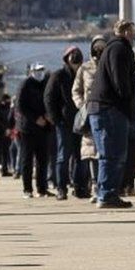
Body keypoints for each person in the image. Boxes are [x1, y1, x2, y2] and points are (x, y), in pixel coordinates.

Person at [87, 20, 135, 209]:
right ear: (126, 32)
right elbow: (121, 81)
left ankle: (105, 192)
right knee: (113, 153)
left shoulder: (112, 48)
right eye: (134, 31)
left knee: (108, 153)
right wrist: (128, 102)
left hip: (102, 107)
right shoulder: (119, 49)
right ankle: (107, 194)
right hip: (110, 108)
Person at [44, 46, 87, 200]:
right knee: (63, 156)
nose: (75, 62)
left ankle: (80, 187)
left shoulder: (83, 74)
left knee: (80, 156)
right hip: (64, 122)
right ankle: (61, 188)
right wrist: (56, 120)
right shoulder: (58, 76)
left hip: (81, 121)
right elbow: (49, 99)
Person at [73, 35, 107, 202]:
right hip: (89, 113)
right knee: (91, 153)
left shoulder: (108, 65)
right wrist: (81, 106)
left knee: (105, 151)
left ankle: (103, 185)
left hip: (106, 112)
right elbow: (76, 90)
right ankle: (95, 186)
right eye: (97, 47)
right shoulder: (85, 68)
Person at [17, 64, 53, 198]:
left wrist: (48, 116)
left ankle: (42, 189)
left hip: (44, 127)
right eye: (37, 70)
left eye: (42, 70)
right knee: (27, 159)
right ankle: (27, 189)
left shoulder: (46, 83)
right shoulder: (25, 84)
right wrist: (35, 118)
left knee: (43, 160)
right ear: (32, 71)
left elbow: (50, 100)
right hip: (28, 128)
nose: (40, 73)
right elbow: (20, 106)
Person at [0, 94, 13, 176]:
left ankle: (4, 170)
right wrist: (5, 129)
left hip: (7, 133)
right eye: (8, 101)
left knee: (6, 153)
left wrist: (9, 129)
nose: (9, 102)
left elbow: (9, 120)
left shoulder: (8, 108)